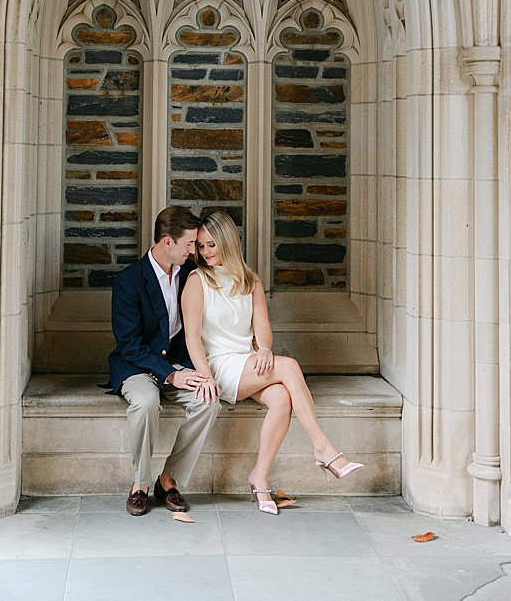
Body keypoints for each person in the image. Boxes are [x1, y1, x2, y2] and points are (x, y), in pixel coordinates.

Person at [181, 210, 363, 515]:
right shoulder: (197, 281)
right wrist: (205, 375)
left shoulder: (250, 280)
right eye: (200, 246)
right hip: (219, 366)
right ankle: (323, 448)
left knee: (281, 398)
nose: (205, 252)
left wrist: (265, 348)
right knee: (289, 366)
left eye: (211, 245)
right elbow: (191, 338)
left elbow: (262, 328)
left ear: (227, 242)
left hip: (248, 362)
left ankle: (259, 476)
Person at [106, 205, 220, 516]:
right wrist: (171, 375)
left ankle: (168, 479)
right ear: (167, 242)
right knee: (144, 403)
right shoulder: (128, 281)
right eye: (189, 245)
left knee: (209, 401)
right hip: (136, 366)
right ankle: (140, 485)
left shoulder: (190, 275)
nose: (193, 251)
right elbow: (129, 344)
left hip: (178, 363)